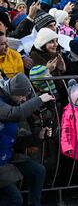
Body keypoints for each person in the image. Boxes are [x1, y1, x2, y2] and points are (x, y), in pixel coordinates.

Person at [0, 73, 55, 206]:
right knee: (15, 200)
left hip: (6, 156)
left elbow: (15, 141)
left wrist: (38, 136)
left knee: (38, 171)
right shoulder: (5, 105)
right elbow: (14, 114)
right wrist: (39, 99)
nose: (24, 99)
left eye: (26, 96)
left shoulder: (12, 102)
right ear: (13, 91)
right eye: (22, 95)